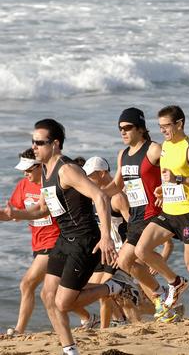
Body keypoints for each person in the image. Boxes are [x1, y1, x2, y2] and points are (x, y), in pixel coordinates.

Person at [2, 119, 138, 355]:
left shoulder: (67, 170)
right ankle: (70, 350)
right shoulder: (45, 171)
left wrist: (106, 236)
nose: (34, 147)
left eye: (39, 142)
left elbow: (100, 197)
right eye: (32, 142)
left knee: (63, 303)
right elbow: (42, 210)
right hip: (65, 239)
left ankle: (116, 286)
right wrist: (12, 215)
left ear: (55, 144)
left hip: (84, 239)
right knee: (47, 295)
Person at [134, 105, 189, 324]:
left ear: (179, 123)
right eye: (160, 126)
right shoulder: (165, 146)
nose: (163, 130)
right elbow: (170, 178)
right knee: (142, 249)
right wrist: (163, 191)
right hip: (169, 211)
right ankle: (175, 282)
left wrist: (179, 180)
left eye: (167, 126)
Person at [102, 107, 176, 321]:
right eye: (120, 129)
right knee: (125, 263)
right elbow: (117, 185)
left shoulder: (153, 149)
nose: (123, 132)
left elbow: (173, 171)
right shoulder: (122, 155)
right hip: (135, 216)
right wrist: (93, 194)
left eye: (127, 128)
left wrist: (165, 191)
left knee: (131, 257)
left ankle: (170, 287)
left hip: (154, 214)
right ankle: (162, 296)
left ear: (141, 128)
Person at [1, 149, 60, 335]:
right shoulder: (23, 185)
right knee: (59, 293)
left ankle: (19, 330)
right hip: (38, 244)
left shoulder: (53, 184)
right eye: (23, 170)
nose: (25, 173)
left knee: (27, 284)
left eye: (28, 169)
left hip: (57, 242)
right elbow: (11, 214)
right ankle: (90, 317)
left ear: (40, 166)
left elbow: (38, 210)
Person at [82, 156, 137, 328]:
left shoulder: (118, 197)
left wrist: (125, 253)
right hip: (105, 252)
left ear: (103, 173)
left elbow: (133, 227)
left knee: (104, 293)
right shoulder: (95, 197)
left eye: (90, 175)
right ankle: (121, 320)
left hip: (120, 251)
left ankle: (105, 330)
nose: (87, 179)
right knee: (92, 289)